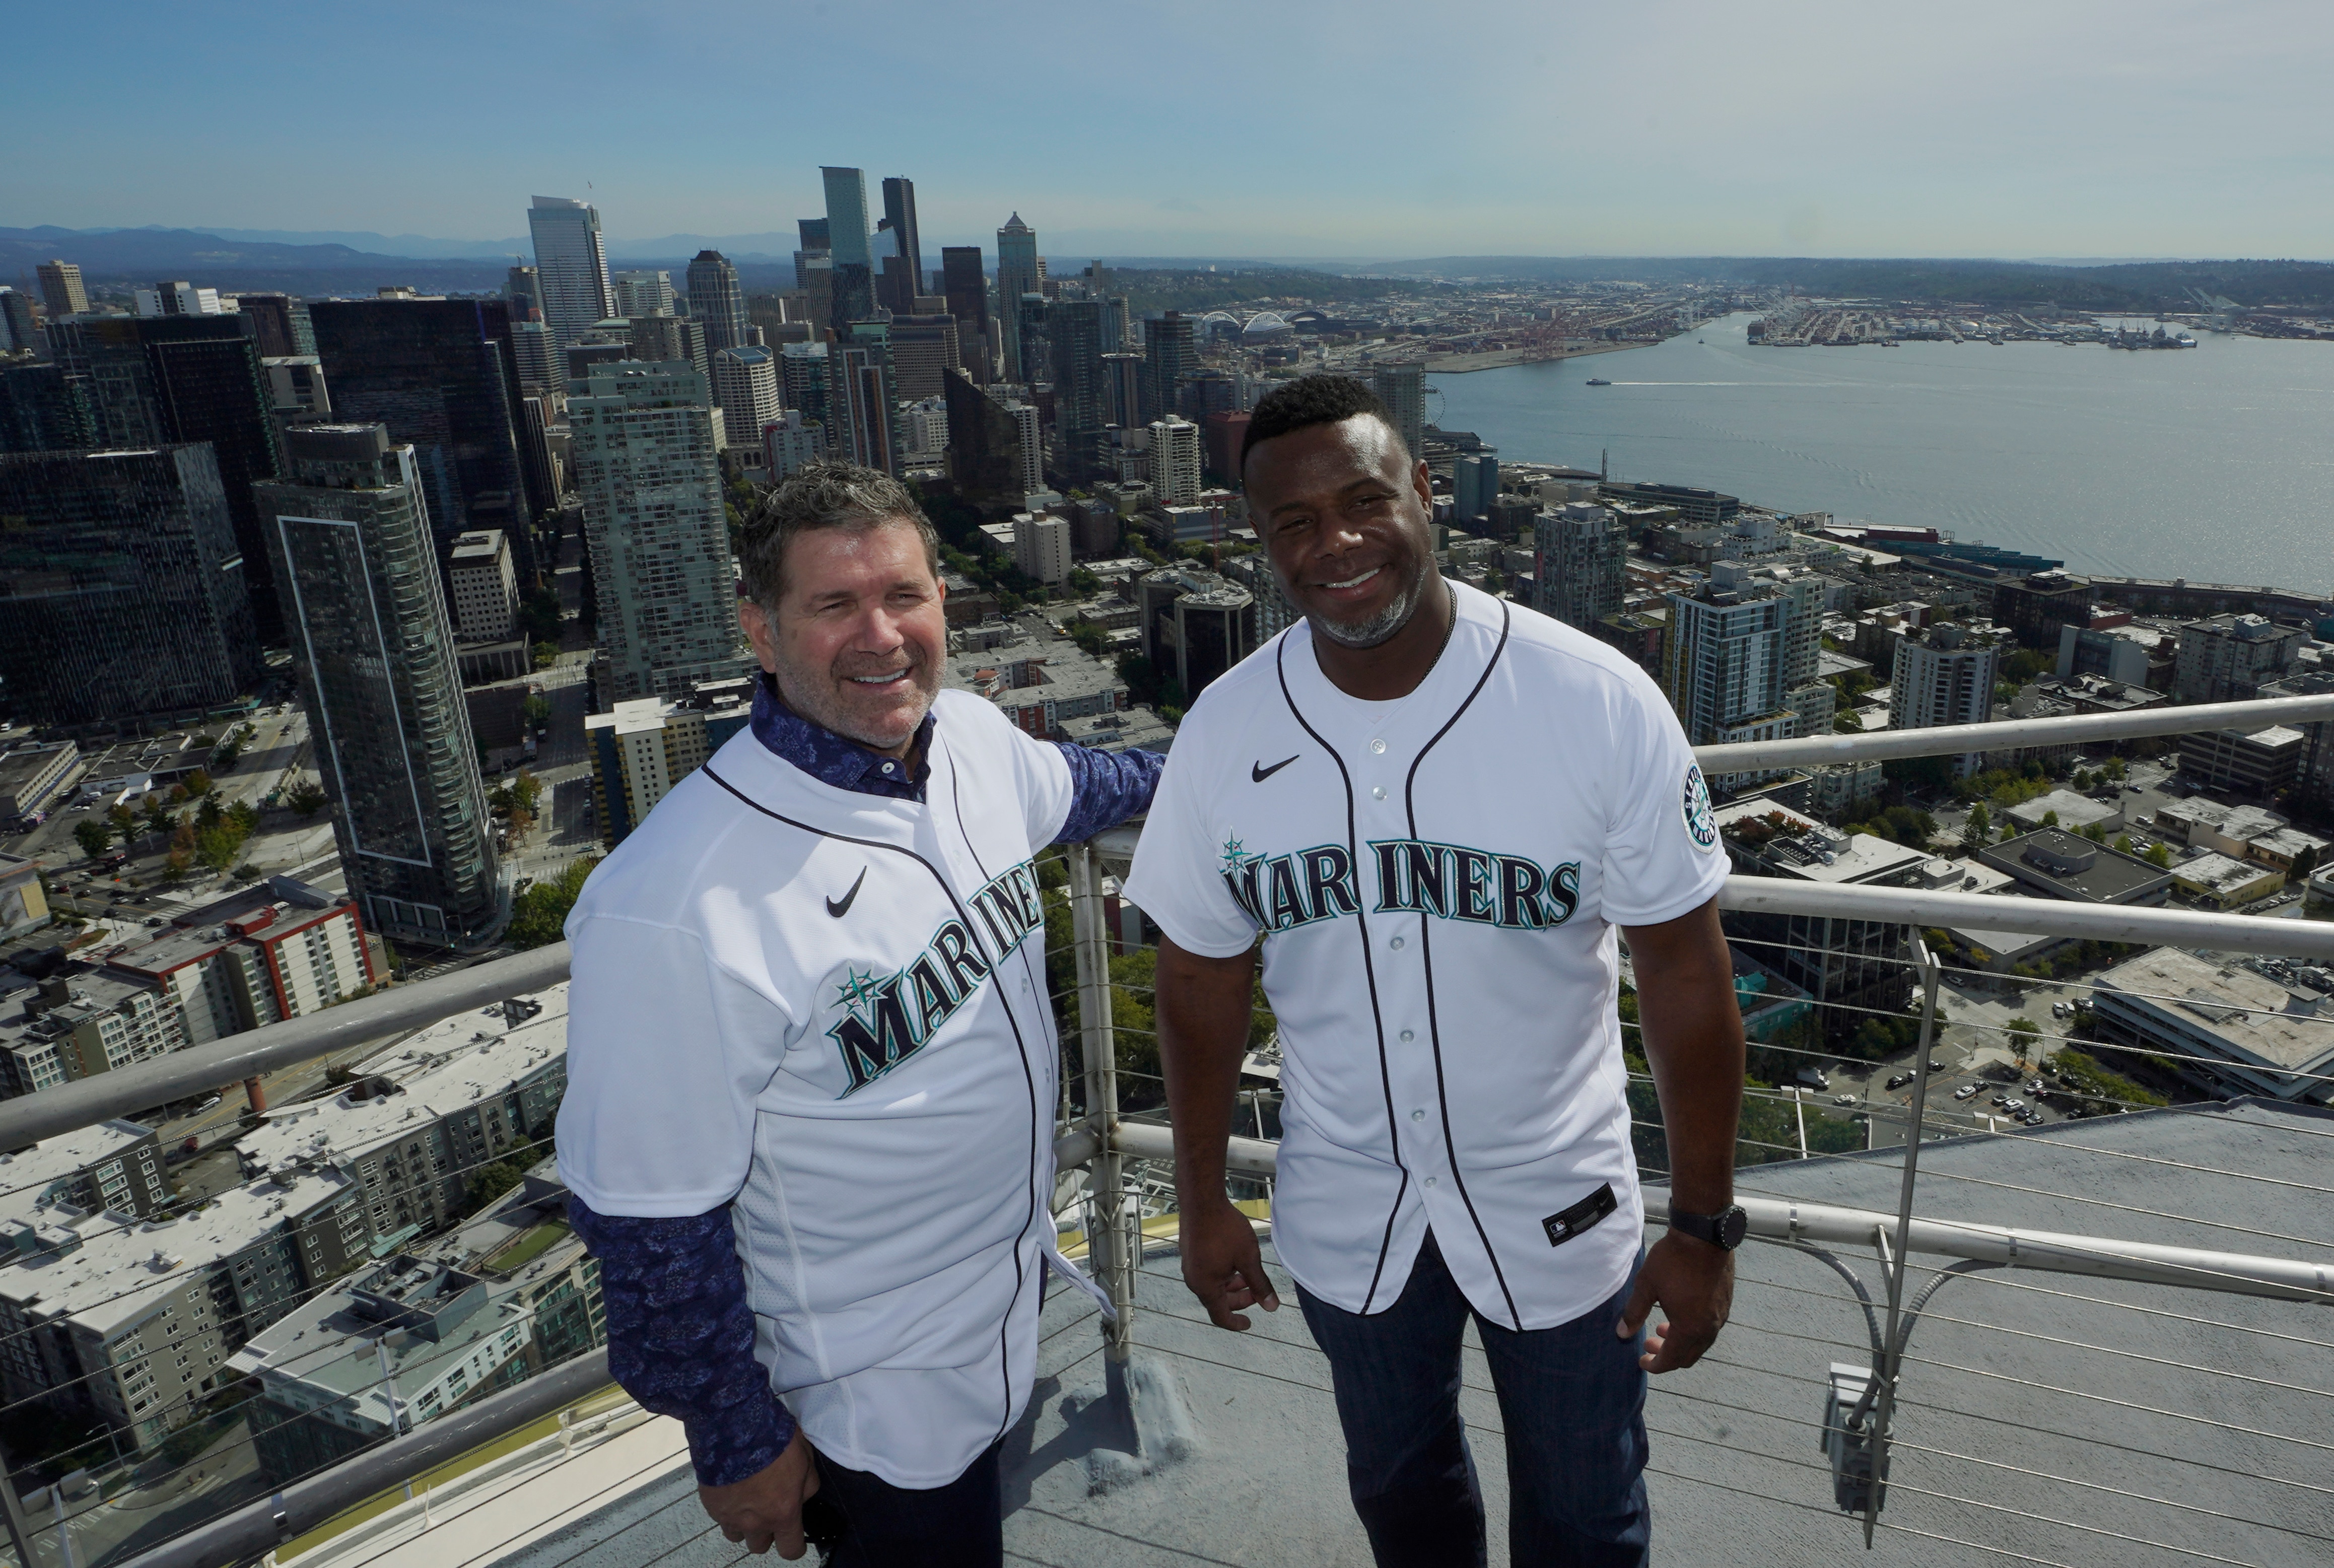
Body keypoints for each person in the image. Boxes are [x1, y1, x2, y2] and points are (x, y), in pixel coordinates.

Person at [1122, 377, 1747, 1567]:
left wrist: (1705, 1228)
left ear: (1424, 491)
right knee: (1402, 1500)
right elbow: (1198, 982)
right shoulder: (1224, 729)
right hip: (1346, 1211)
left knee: (1587, 1517)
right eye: (1294, 522)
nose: (1336, 542)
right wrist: (1201, 1202)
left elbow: (1682, 974)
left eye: (1364, 501)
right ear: (1261, 543)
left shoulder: (1594, 699)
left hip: (1561, 1208)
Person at [557, 462, 1162, 1564]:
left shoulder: (970, 741)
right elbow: (647, 1219)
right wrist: (734, 1437)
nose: (881, 636)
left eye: (903, 596)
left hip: (999, 1315)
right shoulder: (672, 903)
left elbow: (1092, 786)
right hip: (861, 1391)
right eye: (834, 604)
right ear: (761, 630)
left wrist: (1244, 771)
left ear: (942, 603)